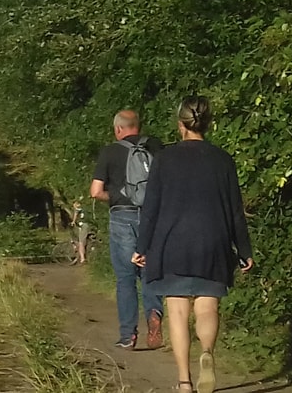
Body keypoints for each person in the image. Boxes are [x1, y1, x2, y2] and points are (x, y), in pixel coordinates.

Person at [132, 97, 253, 393]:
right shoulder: (223, 159)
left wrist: (142, 246)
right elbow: (234, 209)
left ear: (180, 124)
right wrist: (244, 251)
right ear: (208, 124)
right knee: (207, 308)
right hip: (213, 241)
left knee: (177, 312)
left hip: (171, 243)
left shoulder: (164, 159)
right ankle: (207, 354)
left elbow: (152, 207)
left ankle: (185, 382)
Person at [92, 109, 164, 349]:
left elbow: (95, 191)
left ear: (118, 129)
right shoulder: (156, 146)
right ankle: (154, 313)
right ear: (138, 125)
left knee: (125, 278)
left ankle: (128, 335)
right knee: (149, 272)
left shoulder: (110, 151)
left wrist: (115, 197)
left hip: (122, 215)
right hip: (154, 216)